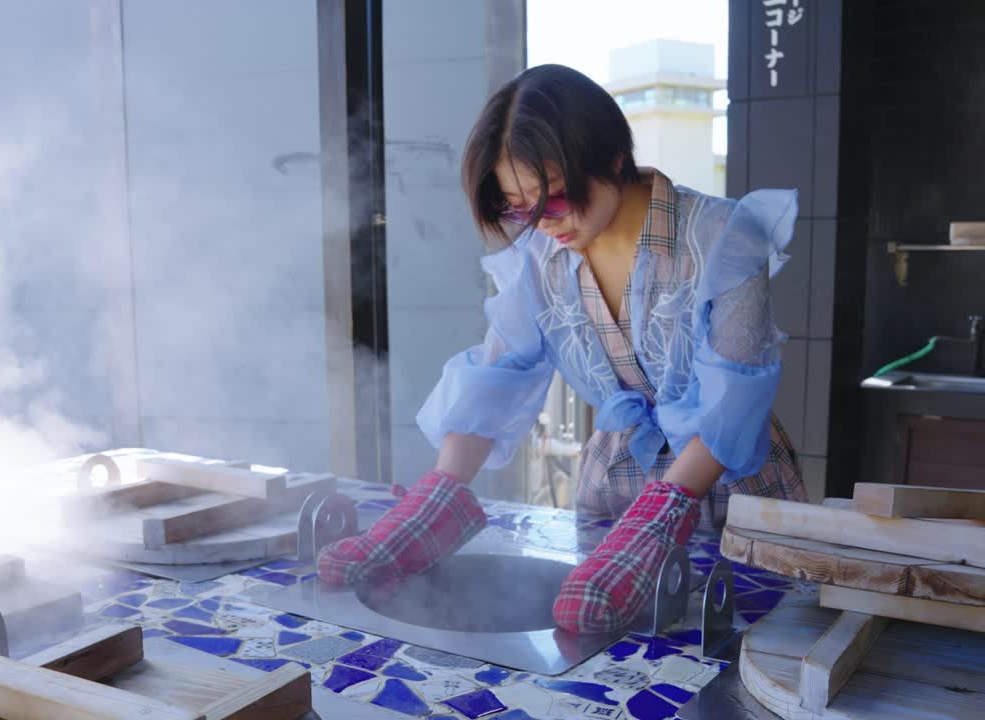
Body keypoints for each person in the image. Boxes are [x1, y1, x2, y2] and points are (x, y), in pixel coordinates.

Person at [315, 64, 807, 634]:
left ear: (612, 158)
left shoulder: (721, 235)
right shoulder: (537, 259)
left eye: (552, 200)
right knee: (600, 657)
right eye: (517, 208)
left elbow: (733, 398)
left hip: (730, 485)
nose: (540, 223)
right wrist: (438, 497)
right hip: (616, 484)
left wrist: (660, 518)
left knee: (733, 655)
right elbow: (498, 373)